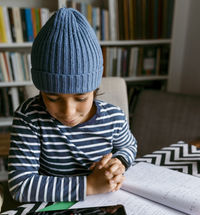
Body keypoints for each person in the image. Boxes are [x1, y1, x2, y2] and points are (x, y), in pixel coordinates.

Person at [8, 8, 137, 203]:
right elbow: (20, 186)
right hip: (51, 210)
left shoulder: (114, 117)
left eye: (81, 98)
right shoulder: (29, 118)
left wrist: (120, 161)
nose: (68, 112)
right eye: (52, 98)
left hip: (105, 202)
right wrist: (89, 185)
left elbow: (129, 145)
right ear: (40, 89)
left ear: (94, 89)